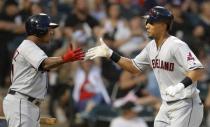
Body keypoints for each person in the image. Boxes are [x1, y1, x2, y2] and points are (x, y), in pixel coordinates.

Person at [86, 6, 204, 127]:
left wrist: (179, 86)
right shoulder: (151, 47)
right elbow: (133, 67)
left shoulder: (177, 45)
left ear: (163, 25)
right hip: (167, 104)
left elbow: (197, 70)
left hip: (186, 104)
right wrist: (111, 54)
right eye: (147, 21)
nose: (147, 25)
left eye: (152, 22)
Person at [3, 13, 85, 127]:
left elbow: (46, 61)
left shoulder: (31, 47)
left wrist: (64, 59)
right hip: (22, 102)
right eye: (49, 28)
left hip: (27, 104)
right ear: (39, 29)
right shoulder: (28, 46)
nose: (51, 32)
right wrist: (64, 59)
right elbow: (45, 64)